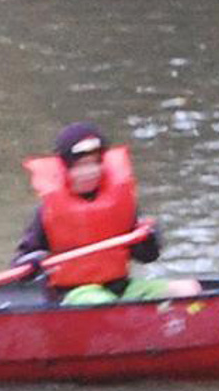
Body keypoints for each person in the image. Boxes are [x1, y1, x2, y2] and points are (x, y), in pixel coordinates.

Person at [13, 121, 196, 305]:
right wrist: (32, 263)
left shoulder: (122, 202)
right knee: (103, 302)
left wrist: (150, 239)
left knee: (188, 289)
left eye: (94, 164)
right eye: (80, 166)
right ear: (66, 169)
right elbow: (20, 267)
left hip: (121, 289)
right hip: (74, 295)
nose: (89, 172)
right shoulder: (47, 211)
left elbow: (147, 257)